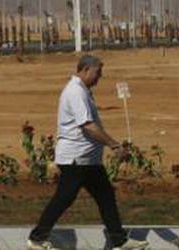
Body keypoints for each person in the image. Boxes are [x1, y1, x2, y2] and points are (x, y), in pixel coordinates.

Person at [26, 55, 148, 250]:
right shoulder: (76, 92)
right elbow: (88, 126)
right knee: (64, 198)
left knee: (105, 196)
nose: (100, 77)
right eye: (97, 73)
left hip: (87, 160)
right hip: (77, 159)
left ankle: (118, 240)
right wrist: (114, 145)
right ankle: (36, 238)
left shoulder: (83, 91)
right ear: (85, 70)